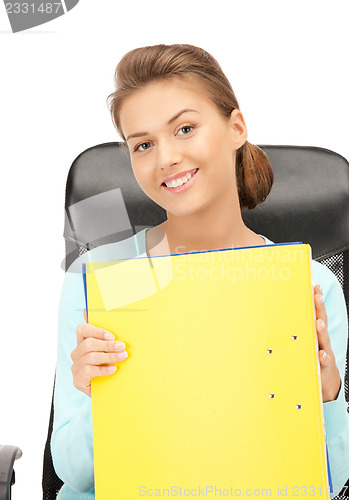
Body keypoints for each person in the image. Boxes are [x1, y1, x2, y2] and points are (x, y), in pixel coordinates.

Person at [51, 44, 349, 499]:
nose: (165, 157)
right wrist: (101, 401)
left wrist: (325, 397)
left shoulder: (310, 287)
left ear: (236, 127)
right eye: (143, 144)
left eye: (185, 128)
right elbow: (74, 474)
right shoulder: (102, 277)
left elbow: (330, 481)